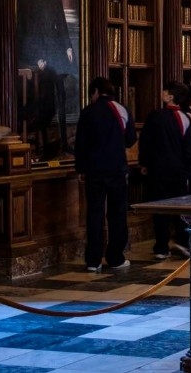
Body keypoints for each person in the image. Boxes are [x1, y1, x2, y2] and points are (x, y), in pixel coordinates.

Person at [75, 77, 136, 272]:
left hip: (94, 171)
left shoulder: (87, 112)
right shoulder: (122, 110)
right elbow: (131, 140)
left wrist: (81, 169)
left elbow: (80, 144)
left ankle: (93, 261)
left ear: (95, 92)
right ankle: (115, 257)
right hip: (117, 170)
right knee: (117, 214)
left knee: (94, 214)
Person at [21, 0, 76, 159]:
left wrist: (69, 47)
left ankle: (62, 144)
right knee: (46, 103)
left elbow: (61, 22)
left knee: (61, 98)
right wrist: (38, 57)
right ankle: (40, 144)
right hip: (42, 56)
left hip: (57, 52)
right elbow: (30, 30)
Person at [139, 81, 191, 260]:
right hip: (179, 171)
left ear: (170, 96)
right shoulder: (186, 118)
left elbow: (146, 142)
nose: (162, 93)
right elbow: (189, 148)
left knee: (160, 209)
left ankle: (161, 247)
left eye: (164, 91)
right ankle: (182, 241)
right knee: (179, 207)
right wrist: (187, 167)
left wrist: (145, 163)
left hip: (158, 170)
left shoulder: (155, 116)